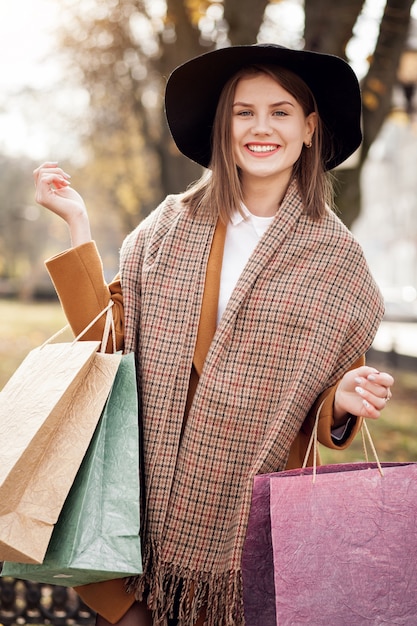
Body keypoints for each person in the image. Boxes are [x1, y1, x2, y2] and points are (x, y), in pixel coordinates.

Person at [34, 44, 394, 626]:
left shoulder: (339, 264)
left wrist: (341, 400)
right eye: (243, 112)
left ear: (309, 129)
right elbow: (106, 342)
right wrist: (77, 224)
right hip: (134, 506)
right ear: (223, 127)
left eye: (280, 112)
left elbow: (322, 402)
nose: (260, 128)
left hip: (240, 524)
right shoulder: (169, 225)